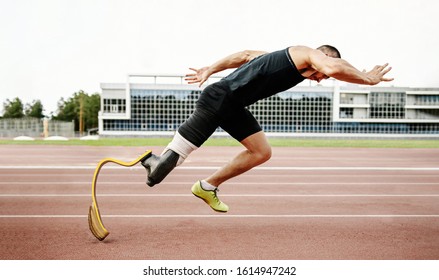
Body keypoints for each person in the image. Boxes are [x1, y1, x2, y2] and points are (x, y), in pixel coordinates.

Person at [141, 45, 393, 212]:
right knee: (164, 166)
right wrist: (367, 78)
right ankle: (150, 161)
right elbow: (333, 67)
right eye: (322, 75)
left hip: (233, 105)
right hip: (219, 97)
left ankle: (207, 186)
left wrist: (211, 68)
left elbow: (244, 55)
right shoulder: (307, 53)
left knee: (261, 152)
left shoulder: (282, 59)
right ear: (322, 55)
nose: (322, 79)